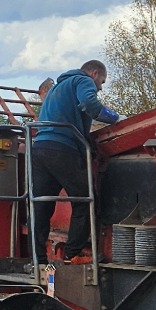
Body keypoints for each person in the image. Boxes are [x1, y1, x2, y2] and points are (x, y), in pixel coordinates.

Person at [31, 59, 119, 262]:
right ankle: (72, 254)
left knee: (41, 205)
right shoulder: (83, 80)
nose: (100, 88)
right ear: (94, 73)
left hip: (40, 148)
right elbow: (90, 103)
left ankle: (39, 261)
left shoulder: (57, 88)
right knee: (85, 199)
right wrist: (115, 118)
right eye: (102, 82)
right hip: (62, 148)